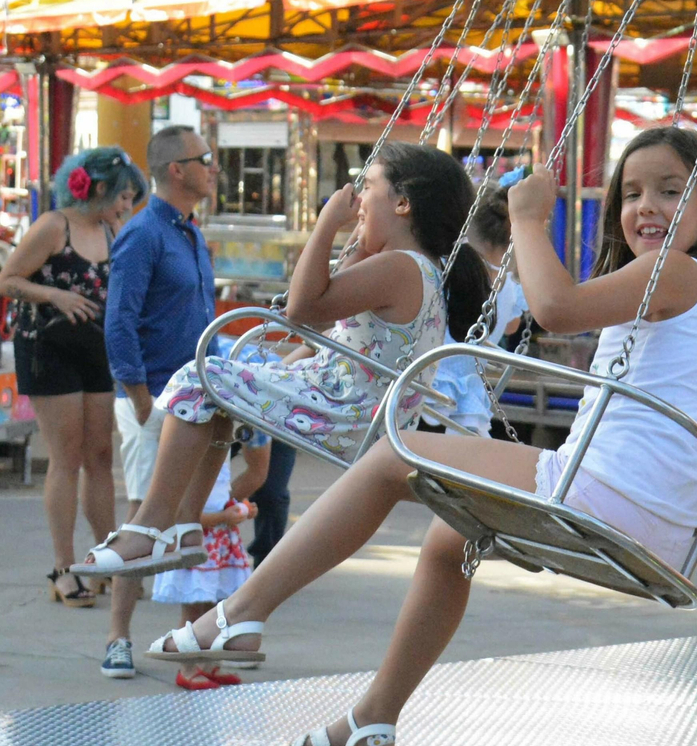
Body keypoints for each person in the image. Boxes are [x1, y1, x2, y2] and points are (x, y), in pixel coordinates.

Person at [137, 126, 697, 746]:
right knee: (448, 544)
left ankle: (242, 611)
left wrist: (530, 219)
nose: (647, 205)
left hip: (609, 490)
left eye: (671, 192)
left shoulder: (676, 271)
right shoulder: (677, 289)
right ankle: (373, 721)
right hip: (655, 517)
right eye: (633, 192)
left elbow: (555, 308)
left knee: (395, 455)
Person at [77, 142, 491, 585]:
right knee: (220, 394)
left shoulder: (399, 267)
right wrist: (356, 242)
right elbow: (339, 328)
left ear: (403, 203)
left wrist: (328, 223)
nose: (357, 198)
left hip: (347, 412)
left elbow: (303, 306)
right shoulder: (417, 268)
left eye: (367, 187)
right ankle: (185, 527)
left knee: (199, 375)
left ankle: (151, 525)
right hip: (354, 408)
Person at [0, 147, 147, 610]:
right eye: (123, 196)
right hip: (47, 348)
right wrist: (55, 295)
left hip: (96, 348)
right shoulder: (52, 227)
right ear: (98, 188)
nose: (127, 206)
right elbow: (5, 281)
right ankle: (62, 567)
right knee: (67, 457)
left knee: (101, 456)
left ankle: (105, 560)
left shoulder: (113, 228)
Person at [96, 124, 219, 678]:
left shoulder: (191, 233)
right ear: (178, 170)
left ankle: (196, 638)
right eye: (206, 158)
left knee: (188, 519)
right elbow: (118, 320)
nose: (214, 167)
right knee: (143, 519)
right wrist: (141, 398)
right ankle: (117, 637)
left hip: (196, 401)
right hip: (156, 400)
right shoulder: (144, 234)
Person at [151, 435, 269, 690]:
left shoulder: (219, 453)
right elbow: (184, 513)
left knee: (216, 608)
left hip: (218, 540)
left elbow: (220, 495)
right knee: (193, 609)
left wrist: (238, 508)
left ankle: (207, 665)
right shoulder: (188, 463)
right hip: (197, 540)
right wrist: (223, 516)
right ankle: (188, 667)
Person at [420, 183, 531, 436]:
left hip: (424, 386)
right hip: (469, 400)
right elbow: (512, 327)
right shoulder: (511, 289)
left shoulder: (443, 270)